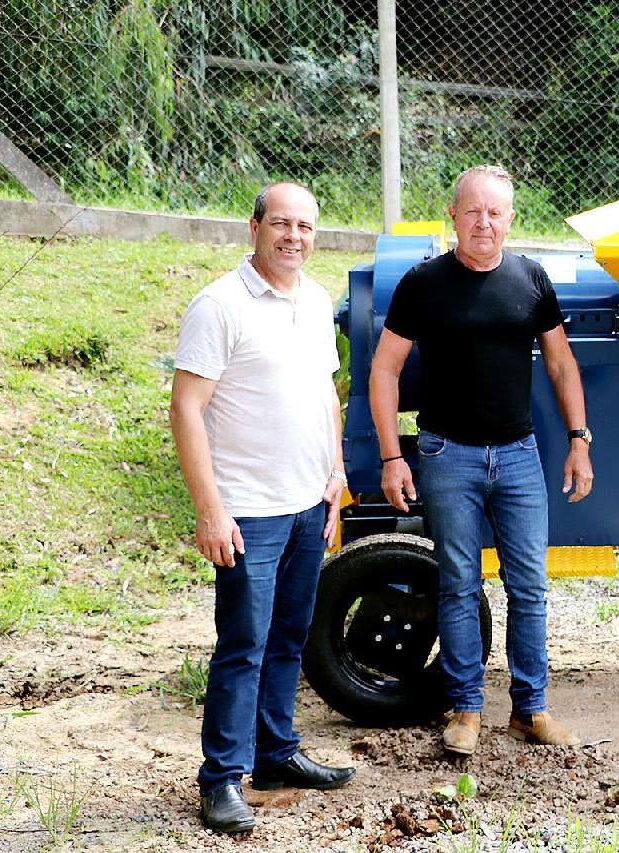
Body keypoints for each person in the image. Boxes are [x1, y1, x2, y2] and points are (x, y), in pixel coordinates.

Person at [369, 164, 593, 756]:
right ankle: (465, 708)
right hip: (447, 456)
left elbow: (562, 365)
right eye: (473, 211)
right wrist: (394, 455)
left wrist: (579, 439)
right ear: (453, 215)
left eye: (495, 213)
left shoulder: (531, 279)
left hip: (519, 456)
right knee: (460, 583)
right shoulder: (422, 284)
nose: (483, 223)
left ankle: (530, 709)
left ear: (510, 219)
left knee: (530, 586)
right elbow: (384, 370)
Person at [170, 182, 356, 833]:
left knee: (288, 636)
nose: (294, 237)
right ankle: (221, 777)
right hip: (248, 511)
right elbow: (186, 408)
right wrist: (210, 508)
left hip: (309, 504)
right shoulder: (218, 305)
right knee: (243, 643)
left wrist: (334, 473)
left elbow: (328, 395)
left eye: (305, 226)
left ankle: (275, 754)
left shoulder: (316, 300)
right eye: (282, 224)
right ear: (254, 227)